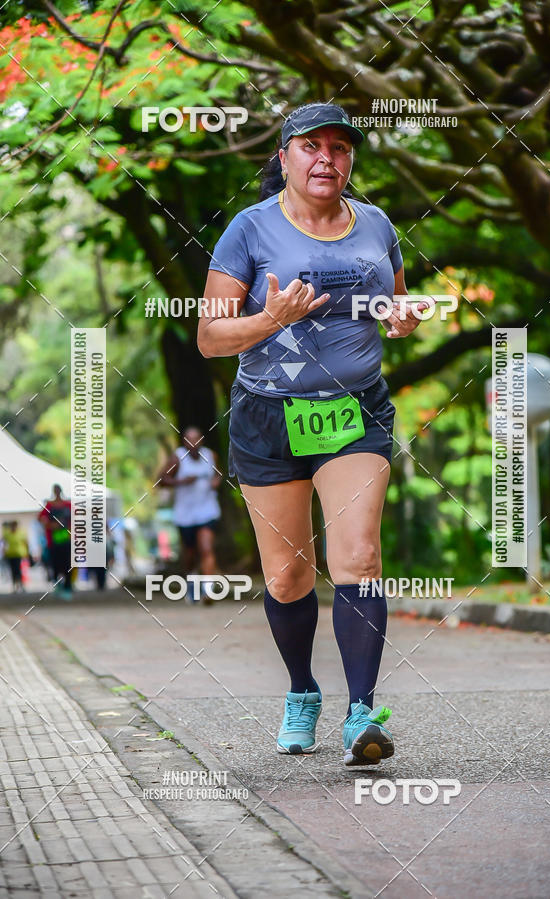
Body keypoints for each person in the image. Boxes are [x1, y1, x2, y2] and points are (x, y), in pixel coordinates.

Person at [197, 102, 427, 766]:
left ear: (351, 159)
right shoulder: (249, 230)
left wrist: (402, 317)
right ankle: (302, 690)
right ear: (285, 157)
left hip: (354, 412)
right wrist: (268, 319)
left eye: (340, 147)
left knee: (357, 556)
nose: (327, 158)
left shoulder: (378, 225)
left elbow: (393, 304)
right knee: (289, 573)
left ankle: (363, 713)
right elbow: (211, 336)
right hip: (268, 415)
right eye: (311, 146)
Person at [157, 427, 222, 604]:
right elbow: (161, 480)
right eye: (189, 440)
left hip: (207, 510)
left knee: (206, 548)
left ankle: (209, 591)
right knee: (190, 554)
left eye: (197, 440)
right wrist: (182, 481)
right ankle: (192, 584)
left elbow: (218, 474)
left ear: (202, 441)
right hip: (185, 514)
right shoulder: (177, 458)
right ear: (184, 442)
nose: (193, 444)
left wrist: (216, 481)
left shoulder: (211, 455)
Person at [38, 484, 72, 598]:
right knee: (55, 564)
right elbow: (40, 518)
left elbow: (76, 517)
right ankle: (58, 585)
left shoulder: (68, 505)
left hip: (67, 539)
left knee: (68, 563)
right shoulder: (49, 506)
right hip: (53, 541)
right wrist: (50, 525)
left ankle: (68, 586)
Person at [3, 521, 28, 592]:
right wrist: (4, 552)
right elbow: (4, 544)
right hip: (10, 554)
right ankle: (15, 585)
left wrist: (26, 553)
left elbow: (25, 543)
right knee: (13, 570)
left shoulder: (20, 533)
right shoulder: (7, 534)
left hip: (19, 554)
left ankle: (21, 585)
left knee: (18, 570)